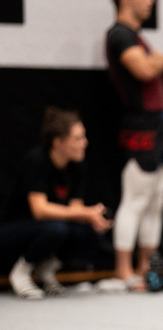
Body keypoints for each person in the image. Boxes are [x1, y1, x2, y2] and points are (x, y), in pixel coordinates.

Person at [106, 0, 163, 290]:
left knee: (156, 202)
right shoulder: (120, 34)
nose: (150, 2)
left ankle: (146, 268)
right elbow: (145, 71)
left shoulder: (137, 38)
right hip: (140, 126)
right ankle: (123, 270)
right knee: (135, 199)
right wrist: (160, 59)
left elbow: (154, 90)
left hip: (159, 125)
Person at [1, 108, 112, 299]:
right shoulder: (36, 160)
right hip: (16, 229)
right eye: (77, 138)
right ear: (58, 142)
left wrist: (92, 216)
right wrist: (84, 213)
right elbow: (40, 210)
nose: (84, 143)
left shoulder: (77, 166)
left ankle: (46, 270)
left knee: (90, 232)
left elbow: (75, 208)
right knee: (56, 228)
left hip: (52, 227)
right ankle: (20, 272)